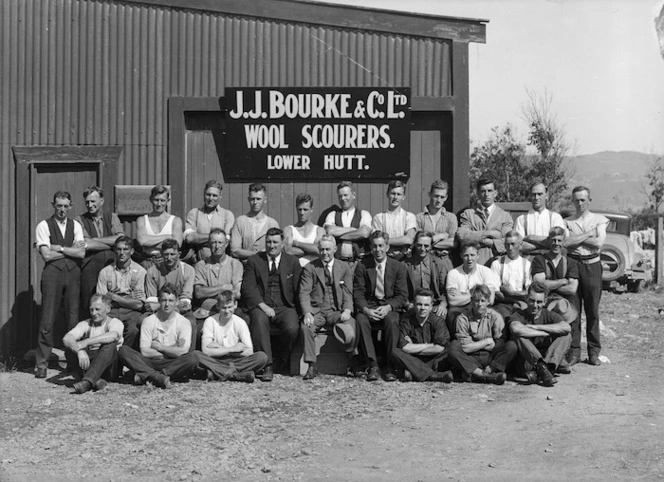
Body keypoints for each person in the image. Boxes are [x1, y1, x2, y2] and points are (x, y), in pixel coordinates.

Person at [34, 191, 86, 378]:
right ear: (53, 205)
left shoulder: (76, 226)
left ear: (70, 206)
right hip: (53, 274)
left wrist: (60, 248)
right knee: (47, 318)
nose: (62, 210)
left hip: (73, 274)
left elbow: (81, 254)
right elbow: (46, 255)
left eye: (65, 206)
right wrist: (69, 251)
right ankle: (42, 363)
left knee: (72, 319)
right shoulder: (43, 225)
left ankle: (72, 363)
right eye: (59, 206)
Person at [241, 228, 301, 381]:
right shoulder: (255, 260)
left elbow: (298, 289)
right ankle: (267, 365)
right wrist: (263, 305)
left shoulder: (292, 262)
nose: (271, 245)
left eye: (275, 242)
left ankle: (281, 360)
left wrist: (303, 311)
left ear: (282, 244)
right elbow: (248, 288)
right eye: (268, 242)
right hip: (261, 305)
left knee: (292, 327)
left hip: (284, 306)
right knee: (259, 321)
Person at [118, 284, 200, 388]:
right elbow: (145, 351)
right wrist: (171, 350)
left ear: (177, 302)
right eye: (163, 300)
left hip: (173, 362)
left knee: (193, 357)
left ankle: (150, 375)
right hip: (151, 362)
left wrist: (160, 347)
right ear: (158, 301)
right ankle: (158, 377)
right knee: (123, 350)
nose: (167, 304)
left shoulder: (184, 322)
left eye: (170, 301)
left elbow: (182, 351)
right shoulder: (148, 321)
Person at [298, 235, 357, 380]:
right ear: (318, 250)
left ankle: (354, 361)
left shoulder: (344, 267)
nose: (325, 253)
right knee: (306, 327)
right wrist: (307, 313)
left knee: (351, 324)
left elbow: (348, 292)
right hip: (317, 311)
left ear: (335, 249)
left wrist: (347, 310)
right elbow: (304, 293)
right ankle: (311, 365)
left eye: (328, 249)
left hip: (335, 311)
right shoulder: (310, 268)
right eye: (322, 249)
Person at [353, 231, 408, 382]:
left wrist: (389, 307)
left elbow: (402, 295)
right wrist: (366, 310)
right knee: (361, 320)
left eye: (381, 246)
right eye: (375, 246)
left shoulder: (398, 267)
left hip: (388, 305)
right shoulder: (363, 266)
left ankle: (390, 365)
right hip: (370, 305)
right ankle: (373, 365)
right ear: (371, 248)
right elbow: (358, 294)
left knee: (392, 321)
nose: (378, 250)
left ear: (387, 247)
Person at [564, 185, 608, 366]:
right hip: (573, 265)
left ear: (589, 200)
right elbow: (567, 242)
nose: (580, 203)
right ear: (572, 201)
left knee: (592, 310)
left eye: (583, 199)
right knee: (573, 310)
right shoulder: (567, 221)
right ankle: (574, 352)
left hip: (592, 266)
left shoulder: (600, 220)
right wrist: (588, 233)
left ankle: (593, 352)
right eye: (576, 200)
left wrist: (580, 237)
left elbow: (598, 243)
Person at [446, 285, 516, 385]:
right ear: (471, 300)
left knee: (511, 346)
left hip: (490, 357)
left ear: (488, 302)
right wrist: (486, 342)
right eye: (476, 300)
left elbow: (498, 344)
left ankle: (484, 371)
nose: (479, 304)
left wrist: (474, 345)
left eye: (483, 301)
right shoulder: (462, 318)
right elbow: (465, 348)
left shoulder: (495, 316)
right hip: (471, 357)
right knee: (453, 348)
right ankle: (484, 375)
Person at [509, 282, 572, 387]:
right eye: (532, 301)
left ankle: (547, 370)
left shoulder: (549, 315)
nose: (535, 306)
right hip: (527, 362)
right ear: (526, 298)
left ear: (545, 302)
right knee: (518, 336)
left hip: (546, 357)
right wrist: (546, 333)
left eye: (539, 302)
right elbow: (515, 328)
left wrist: (537, 327)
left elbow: (566, 327)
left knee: (566, 335)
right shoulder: (519, 315)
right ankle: (542, 368)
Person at [75, 186, 124, 317]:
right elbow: (86, 244)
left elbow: (120, 239)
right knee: (89, 301)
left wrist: (96, 240)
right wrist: (111, 244)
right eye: (87, 202)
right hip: (89, 267)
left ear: (101, 201)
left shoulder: (112, 217)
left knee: (111, 299)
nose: (89, 205)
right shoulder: (79, 220)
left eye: (93, 201)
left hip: (111, 265)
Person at [531, 227, 580, 356]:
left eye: (559, 240)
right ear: (548, 241)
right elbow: (538, 284)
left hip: (565, 303)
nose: (556, 244)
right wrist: (562, 281)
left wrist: (549, 284)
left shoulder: (571, 262)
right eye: (553, 240)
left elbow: (572, 289)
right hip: (545, 302)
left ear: (563, 242)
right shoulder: (539, 260)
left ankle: (564, 354)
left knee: (568, 324)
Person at [200, 291, 268, 383]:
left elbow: (249, 351)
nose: (227, 311)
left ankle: (218, 372)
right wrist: (232, 349)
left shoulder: (240, 323)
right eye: (224, 308)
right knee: (196, 356)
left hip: (237, 360)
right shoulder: (210, 321)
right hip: (217, 359)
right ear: (218, 307)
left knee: (262, 357)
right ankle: (237, 375)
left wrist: (220, 348)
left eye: (229, 307)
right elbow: (206, 351)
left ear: (235, 305)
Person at [62, 294, 123, 394]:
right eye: (91, 310)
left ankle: (87, 382)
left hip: (108, 367)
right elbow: (67, 338)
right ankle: (96, 381)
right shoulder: (85, 324)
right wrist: (79, 351)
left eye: (97, 309)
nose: (94, 313)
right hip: (90, 362)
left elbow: (112, 336)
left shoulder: (115, 323)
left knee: (109, 345)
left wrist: (86, 342)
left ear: (108, 309)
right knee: (69, 349)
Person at [389, 288, 453, 383]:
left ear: (431, 307)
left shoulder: (438, 321)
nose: (423, 308)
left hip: (432, 359)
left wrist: (413, 348)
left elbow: (439, 348)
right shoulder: (406, 321)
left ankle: (414, 372)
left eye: (426, 305)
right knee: (395, 351)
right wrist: (430, 345)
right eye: (419, 304)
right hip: (413, 359)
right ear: (414, 305)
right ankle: (434, 375)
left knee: (452, 349)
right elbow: (405, 348)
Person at [144, 238, 197, 349]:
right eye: (166, 254)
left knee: (191, 322)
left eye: (172, 254)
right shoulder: (153, 271)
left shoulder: (188, 270)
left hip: (181, 311)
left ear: (179, 254)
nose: (169, 258)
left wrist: (163, 305)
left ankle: (188, 357)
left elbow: (186, 302)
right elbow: (151, 302)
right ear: (161, 254)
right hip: (158, 312)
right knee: (141, 321)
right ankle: (150, 355)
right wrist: (164, 306)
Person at [96, 236, 147, 349]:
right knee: (103, 328)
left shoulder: (140, 272)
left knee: (133, 330)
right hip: (111, 311)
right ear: (115, 251)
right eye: (119, 249)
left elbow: (138, 304)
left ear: (132, 251)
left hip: (131, 312)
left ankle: (124, 355)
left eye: (125, 249)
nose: (122, 253)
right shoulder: (105, 272)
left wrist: (114, 297)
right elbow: (101, 303)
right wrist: (129, 298)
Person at [445, 241, 501, 335]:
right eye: (466, 255)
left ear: (478, 255)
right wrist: (478, 294)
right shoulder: (453, 273)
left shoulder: (486, 272)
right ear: (461, 256)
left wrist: (464, 294)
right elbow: (452, 301)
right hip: (461, 308)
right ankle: (458, 339)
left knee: (495, 314)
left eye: (472, 255)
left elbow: (490, 299)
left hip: (481, 306)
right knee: (452, 313)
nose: (469, 259)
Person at [193, 228, 244, 328]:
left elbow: (237, 293)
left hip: (229, 309)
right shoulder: (201, 265)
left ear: (226, 244)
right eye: (213, 243)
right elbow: (199, 293)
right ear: (208, 244)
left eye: (220, 242)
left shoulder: (235, 264)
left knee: (243, 324)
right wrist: (224, 287)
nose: (217, 246)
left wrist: (211, 296)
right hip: (206, 311)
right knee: (198, 331)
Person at [457, 178, 513, 265]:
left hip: (497, 263)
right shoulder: (469, 214)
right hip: (474, 265)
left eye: (490, 191)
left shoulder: (505, 216)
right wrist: (489, 233)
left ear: (495, 193)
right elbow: (462, 235)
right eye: (483, 191)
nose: (486, 194)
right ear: (478, 194)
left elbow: (508, 242)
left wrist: (490, 242)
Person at [323, 181, 372, 268]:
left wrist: (338, 236)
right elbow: (329, 231)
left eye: (346, 195)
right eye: (340, 196)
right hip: (338, 262)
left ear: (353, 195)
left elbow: (364, 233)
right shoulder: (332, 215)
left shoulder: (364, 214)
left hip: (359, 262)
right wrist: (354, 230)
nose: (343, 198)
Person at [183, 180, 235, 262]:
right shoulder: (194, 213)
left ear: (220, 196)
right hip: (199, 263)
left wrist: (199, 238)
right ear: (204, 194)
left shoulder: (227, 215)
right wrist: (217, 238)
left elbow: (226, 240)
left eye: (214, 195)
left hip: (222, 264)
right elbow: (189, 238)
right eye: (208, 195)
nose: (211, 198)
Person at [403, 231, 451, 319]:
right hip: (414, 305)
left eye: (426, 246)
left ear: (431, 246)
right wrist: (407, 304)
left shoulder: (439, 264)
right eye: (419, 245)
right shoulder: (406, 265)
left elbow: (444, 289)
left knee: (441, 316)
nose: (422, 249)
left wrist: (443, 304)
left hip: (433, 305)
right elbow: (401, 289)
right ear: (414, 244)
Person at [136, 185, 184, 266]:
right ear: (151, 199)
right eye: (156, 200)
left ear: (168, 201)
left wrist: (149, 244)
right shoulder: (142, 220)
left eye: (162, 200)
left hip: (167, 262)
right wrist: (167, 237)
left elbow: (177, 244)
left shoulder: (175, 221)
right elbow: (142, 241)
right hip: (147, 261)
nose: (159, 204)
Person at [514, 181, 567, 255]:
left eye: (540, 194)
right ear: (530, 196)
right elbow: (519, 246)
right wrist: (546, 242)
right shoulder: (521, 219)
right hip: (529, 260)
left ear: (546, 196)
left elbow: (558, 242)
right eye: (533, 194)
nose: (536, 197)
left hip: (549, 260)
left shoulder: (555, 217)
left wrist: (530, 238)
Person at [230, 183, 279, 261]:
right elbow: (234, 251)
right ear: (249, 199)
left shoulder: (272, 224)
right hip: (245, 267)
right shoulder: (240, 221)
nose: (255, 202)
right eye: (253, 199)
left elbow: (277, 250)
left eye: (258, 199)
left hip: (266, 268)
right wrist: (258, 255)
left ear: (265, 200)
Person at [489, 231, 532, 319]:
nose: (510, 248)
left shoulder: (527, 265)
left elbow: (529, 293)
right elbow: (496, 292)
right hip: (503, 305)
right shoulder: (497, 264)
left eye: (513, 244)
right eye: (507, 244)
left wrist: (510, 293)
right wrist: (517, 295)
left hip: (522, 304)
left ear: (520, 245)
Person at [371, 180, 417, 260]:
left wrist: (385, 241)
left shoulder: (409, 217)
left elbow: (409, 239)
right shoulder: (378, 218)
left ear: (403, 197)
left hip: (404, 260)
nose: (395, 197)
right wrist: (400, 240)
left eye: (399, 194)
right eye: (393, 193)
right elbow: (377, 242)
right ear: (387, 194)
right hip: (385, 260)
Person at [415, 180, 457, 258]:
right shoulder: (419, 218)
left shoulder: (451, 218)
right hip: (424, 260)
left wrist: (429, 242)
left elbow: (453, 243)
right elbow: (418, 242)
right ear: (430, 195)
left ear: (446, 197)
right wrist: (444, 235)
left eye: (442, 197)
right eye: (436, 196)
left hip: (444, 260)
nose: (438, 200)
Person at [284, 193, 326, 267]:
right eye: (299, 209)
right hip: (295, 270)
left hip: (314, 270)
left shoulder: (319, 230)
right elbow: (288, 251)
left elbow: (318, 250)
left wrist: (296, 243)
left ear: (311, 209)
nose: (302, 213)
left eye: (305, 209)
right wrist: (311, 250)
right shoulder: (289, 230)